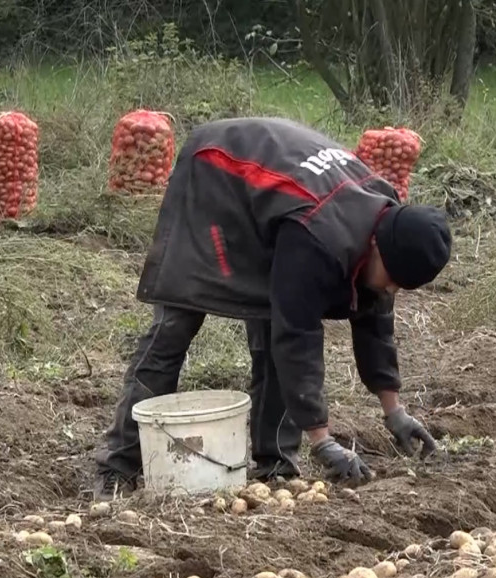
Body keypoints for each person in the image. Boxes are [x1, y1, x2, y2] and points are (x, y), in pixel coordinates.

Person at [94, 117, 451, 499]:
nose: (392, 288)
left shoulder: (389, 222)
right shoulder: (318, 236)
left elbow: (375, 321)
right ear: (378, 244)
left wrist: (394, 411)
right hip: (215, 173)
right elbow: (296, 333)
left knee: (272, 314)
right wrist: (322, 439)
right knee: (176, 324)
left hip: (276, 196)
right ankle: (118, 465)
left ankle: (276, 464)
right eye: (393, 277)